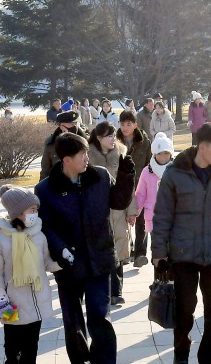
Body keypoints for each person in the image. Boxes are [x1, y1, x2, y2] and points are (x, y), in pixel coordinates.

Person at [36, 132, 135, 364]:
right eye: (82, 155)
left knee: (100, 317)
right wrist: (61, 250)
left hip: (99, 260)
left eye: (87, 153)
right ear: (66, 160)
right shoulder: (45, 190)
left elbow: (119, 202)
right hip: (67, 265)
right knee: (73, 321)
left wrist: (127, 174)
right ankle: (79, 360)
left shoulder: (99, 176)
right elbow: (46, 227)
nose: (87, 158)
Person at [152, 122, 211, 364]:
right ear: (202, 146)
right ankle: (181, 356)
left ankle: (208, 356)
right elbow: (161, 216)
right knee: (184, 310)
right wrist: (159, 254)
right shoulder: (174, 174)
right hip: (183, 255)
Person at [0, 185, 60, 364]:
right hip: (13, 304)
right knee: (13, 350)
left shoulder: (38, 236)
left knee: (31, 348)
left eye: (36, 209)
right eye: (31, 210)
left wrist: (63, 262)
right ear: (18, 212)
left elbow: (46, 263)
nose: (35, 213)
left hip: (36, 302)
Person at [87, 122, 130, 305]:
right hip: (96, 210)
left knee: (119, 246)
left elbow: (128, 185)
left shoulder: (121, 153)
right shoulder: (86, 155)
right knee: (101, 249)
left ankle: (117, 291)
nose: (113, 139)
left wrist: (132, 211)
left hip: (118, 210)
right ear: (98, 137)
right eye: (109, 136)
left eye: (114, 135)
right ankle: (103, 289)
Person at [129, 133, 174, 264]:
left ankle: (171, 281)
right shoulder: (146, 172)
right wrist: (134, 212)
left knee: (172, 251)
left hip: (174, 219)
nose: (163, 156)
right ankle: (158, 280)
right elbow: (140, 194)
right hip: (153, 218)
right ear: (154, 154)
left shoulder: (177, 170)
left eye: (166, 153)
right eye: (159, 153)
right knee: (158, 252)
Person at [116, 110, 151, 267]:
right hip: (121, 186)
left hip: (140, 186)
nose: (125, 127)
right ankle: (125, 252)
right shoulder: (114, 140)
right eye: (122, 124)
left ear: (135, 125)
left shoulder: (144, 141)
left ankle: (140, 253)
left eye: (128, 124)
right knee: (122, 220)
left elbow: (149, 164)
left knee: (141, 220)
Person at [40, 108, 86, 180]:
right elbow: (45, 169)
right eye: (70, 124)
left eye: (75, 124)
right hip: (59, 183)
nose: (74, 126)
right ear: (61, 126)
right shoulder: (51, 143)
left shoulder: (85, 141)